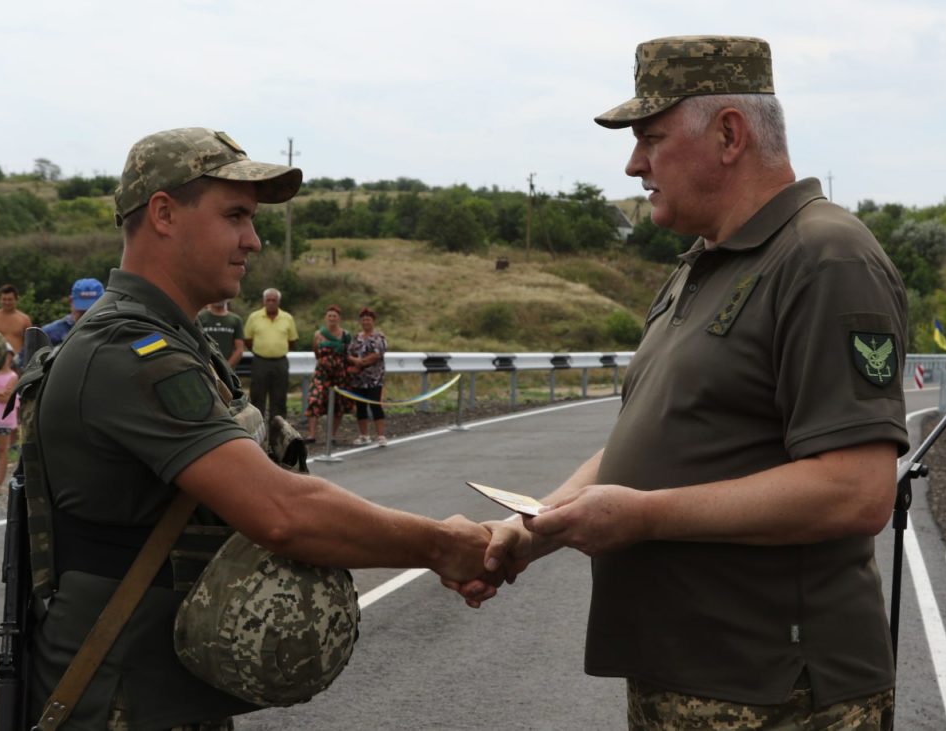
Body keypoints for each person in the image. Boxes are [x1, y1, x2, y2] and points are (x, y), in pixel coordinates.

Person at [451, 36, 908, 730]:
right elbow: (657, 438)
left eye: (651, 139)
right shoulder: (703, 265)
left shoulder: (825, 257)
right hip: (690, 677)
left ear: (729, 134)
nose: (635, 165)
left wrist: (642, 515)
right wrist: (532, 528)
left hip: (778, 691)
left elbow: (856, 489)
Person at [27, 127, 496, 730]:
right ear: (164, 214)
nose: (252, 239)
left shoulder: (172, 342)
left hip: (154, 696)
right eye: (235, 216)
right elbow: (282, 512)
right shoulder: (129, 351)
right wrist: (442, 546)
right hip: (116, 705)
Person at [244, 287, 298, 420]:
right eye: (268, 300)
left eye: (274, 300)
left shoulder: (287, 318)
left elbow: (292, 341)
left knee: (279, 400)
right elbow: (248, 340)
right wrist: (262, 351)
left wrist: (277, 350)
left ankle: (277, 437)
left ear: (279, 301)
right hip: (260, 362)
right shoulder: (254, 317)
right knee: (257, 399)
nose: (271, 303)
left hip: (280, 363)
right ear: (264, 301)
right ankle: (257, 437)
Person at [305, 304, 354, 443]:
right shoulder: (318, 334)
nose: (332, 318)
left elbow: (348, 353)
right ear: (326, 318)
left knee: (338, 404)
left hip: (339, 374)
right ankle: (312, 435)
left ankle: (331, 435)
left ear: (339, 318)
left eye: (335, 316)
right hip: (322, 373)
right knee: (315, 399)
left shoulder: (345, 335)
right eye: (329, 316)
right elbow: (316, 352)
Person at [347, 306, 387, 446]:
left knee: (376, 405)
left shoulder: (379, 337)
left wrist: (361, 363)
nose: (366, 322)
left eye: (368, 319)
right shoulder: (356, 337)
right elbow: (349, 353)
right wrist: (354, 361)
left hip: (374, 378)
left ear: (373, 321)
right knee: (360, 406)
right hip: (358, 379)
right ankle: (364, 435)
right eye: (363, 319)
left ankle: (381, 436)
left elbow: (377, 355)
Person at [41, 277, 106, 346]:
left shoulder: (112, 331)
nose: (87, 315)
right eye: (82, 311)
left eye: (92, 310)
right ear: (71, 301)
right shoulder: (49, 334)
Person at [0, 335, 18, 490]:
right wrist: (0, 392)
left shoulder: (13, 376)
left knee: (3, 450)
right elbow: (2, 395)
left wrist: (0, 394)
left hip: (4, 419)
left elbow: (6, 398)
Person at [198, 299, 246, 368]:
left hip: (227, 371)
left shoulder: (236, 320)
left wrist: (226, 367)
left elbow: (239, 349)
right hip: (204, 367)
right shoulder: (200, 317)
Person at [0, 283, 33, 369]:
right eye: (4, 299)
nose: (7, 302)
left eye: (10, 299)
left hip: (18, 364)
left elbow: (30, 344)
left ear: (16, 299)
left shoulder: (24, 319)